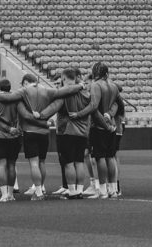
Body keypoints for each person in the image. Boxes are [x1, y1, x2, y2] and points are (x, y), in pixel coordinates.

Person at [0, 73, 83, 201]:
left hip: (30, 130)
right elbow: (65, 91)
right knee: (42, 162)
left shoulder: (24, 91)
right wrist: (80, 86)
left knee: (34, 163)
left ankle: (39, 192)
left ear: (26, 83)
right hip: (44, 132)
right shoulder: (47, 90)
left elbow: (8, 98)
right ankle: (42, 188)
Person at [37, 67, 115, 199]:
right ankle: (79, 190)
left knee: (68, 163)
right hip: (83, 133)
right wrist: (107, 126)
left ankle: (72, 191)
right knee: (79, 162)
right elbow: (95, 113)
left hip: (66, 132)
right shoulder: (86, 94)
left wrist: (40, 116)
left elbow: (54, 107)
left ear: (63, 78)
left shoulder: (64, 94)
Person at [69, 61, 120, 199]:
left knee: (100, 157)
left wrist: (78, 114)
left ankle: (102, 191)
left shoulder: (95, 85)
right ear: (107, 73)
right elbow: (116, 104)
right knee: (110, 157)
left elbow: (93, 107)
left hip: (99, 127)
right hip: (112, 126)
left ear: (94, 73)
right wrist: (110, 116)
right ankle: (113, 189)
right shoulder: (114, 86)